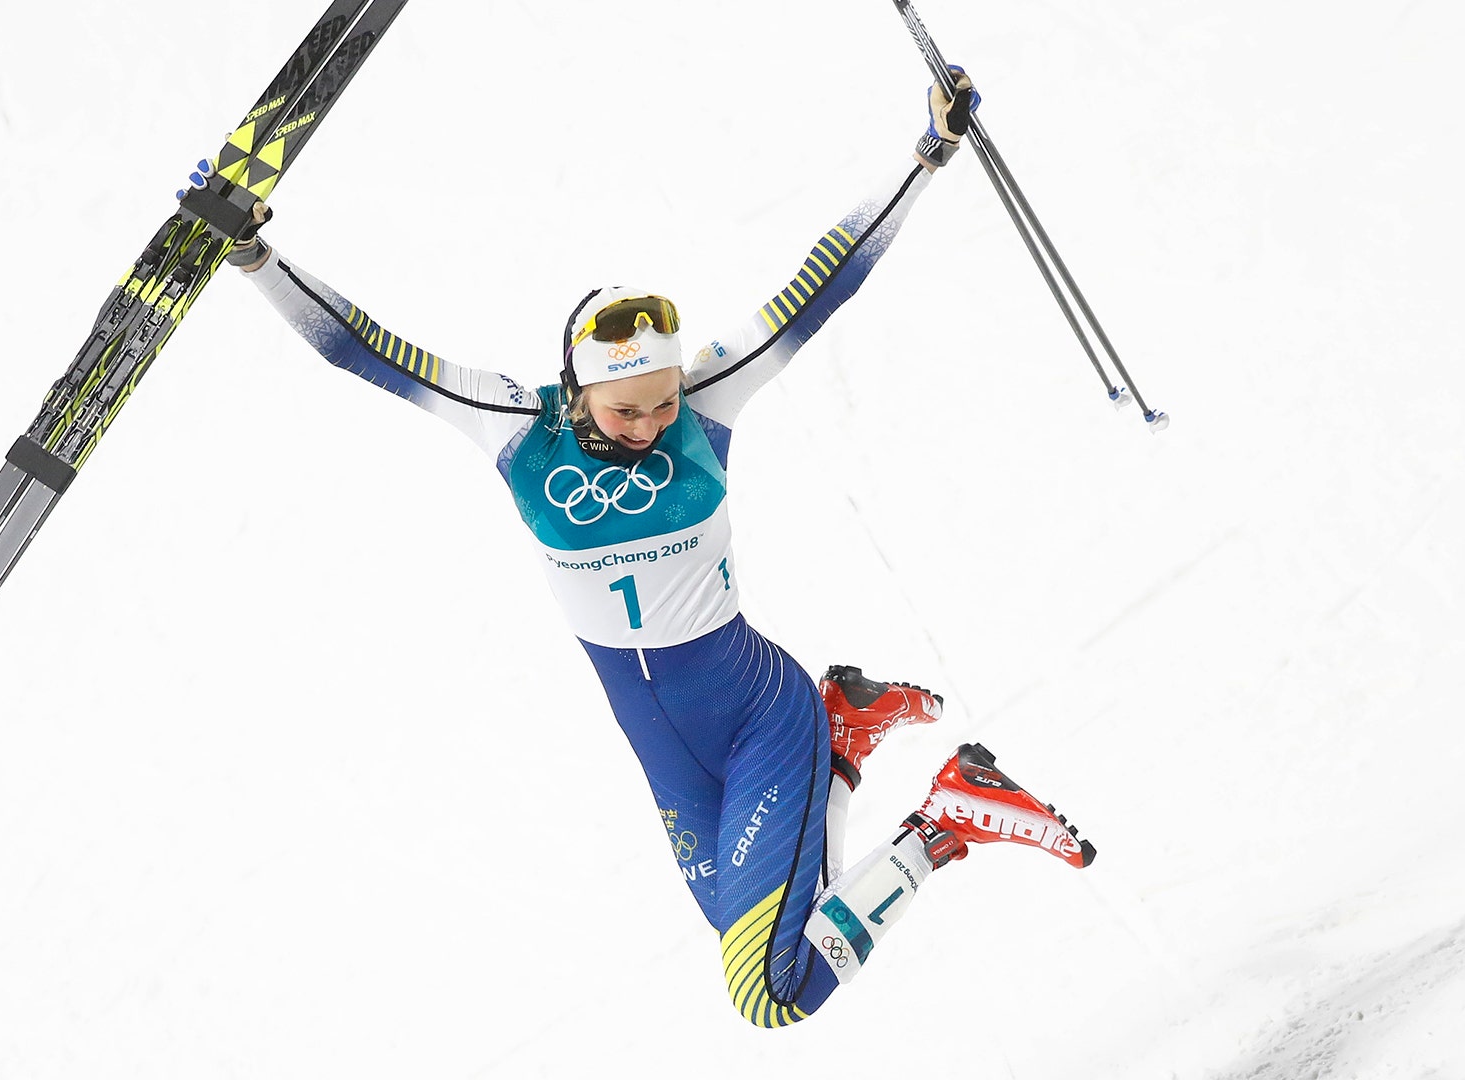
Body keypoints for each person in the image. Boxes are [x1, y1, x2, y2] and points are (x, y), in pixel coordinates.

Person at [219, 69, 1094, 1027]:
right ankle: (847, 733)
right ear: (577, 387)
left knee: (772, 992)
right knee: (782, 931)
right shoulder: (515, 426)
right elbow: (369, 349)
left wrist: (929, 154)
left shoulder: (707, 402)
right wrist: (256, 258)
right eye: (626, 407)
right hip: (670, 758)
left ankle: (949, 817)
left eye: (663, 400)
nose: (649, 423)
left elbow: (822, 281)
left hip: (760, 716)